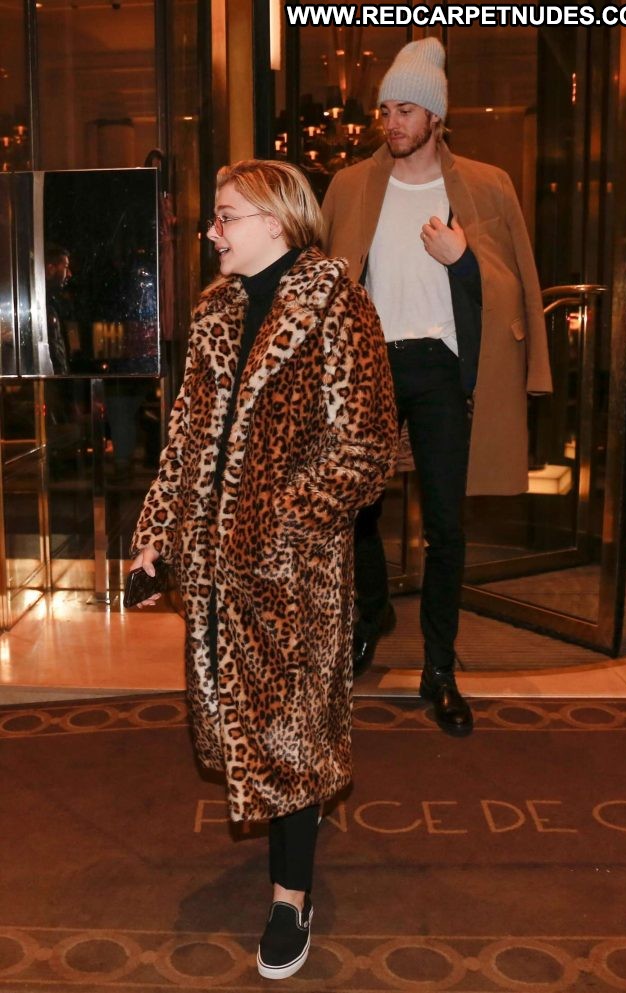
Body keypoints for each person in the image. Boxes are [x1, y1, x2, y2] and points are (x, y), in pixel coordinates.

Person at [129, 159, 398, 980]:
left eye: (225, 216)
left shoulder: (337, 305)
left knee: (291, 734)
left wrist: (285, 520)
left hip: (295, 574)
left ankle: (291, 898)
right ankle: (290, 860)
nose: (211, 231)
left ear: (275, 221)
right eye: (215, 217)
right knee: (248, 725)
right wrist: (155, 536)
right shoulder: (215, 314)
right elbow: (184, 440)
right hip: (217, 572)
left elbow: (367, 445)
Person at [322, 38, 553, 737]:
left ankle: (439, 668)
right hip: (370, 365)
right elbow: (324, 280)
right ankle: (371, 616)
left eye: (406, 110)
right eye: (386, 110)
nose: (392, 122)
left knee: (446, 526)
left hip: (443, 370)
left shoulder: (486, 185)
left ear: (435, 116)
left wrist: (463, 261)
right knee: (354, 511)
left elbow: (515, 284)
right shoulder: (350, 186)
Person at [45, 243, 73, 374]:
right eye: (66, 267)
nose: (69, 274)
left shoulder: (52, 303)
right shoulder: (43, 304)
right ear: (50, 268)